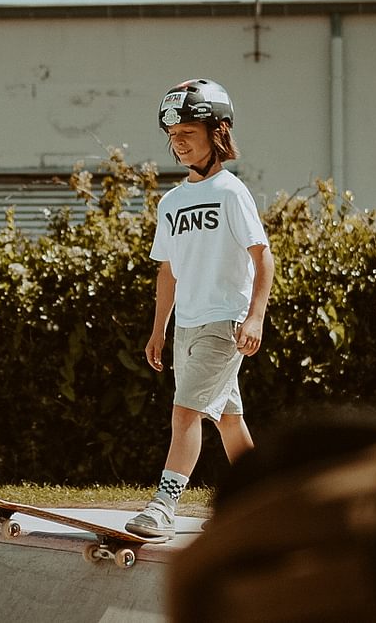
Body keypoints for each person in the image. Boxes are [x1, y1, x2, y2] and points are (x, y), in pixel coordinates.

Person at [126, 79, 275, 538]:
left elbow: (263, 256)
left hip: (224, 322)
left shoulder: (232, 192)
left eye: (188, 132)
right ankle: (268, 501)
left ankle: (163, 506)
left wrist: (255, 317)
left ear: (218, 132)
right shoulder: (171, 202)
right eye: (172, 136)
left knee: (184, 413)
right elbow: (168, 271)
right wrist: (159, 330)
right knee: (229, 420)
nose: (179, 143)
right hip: (187, 326)